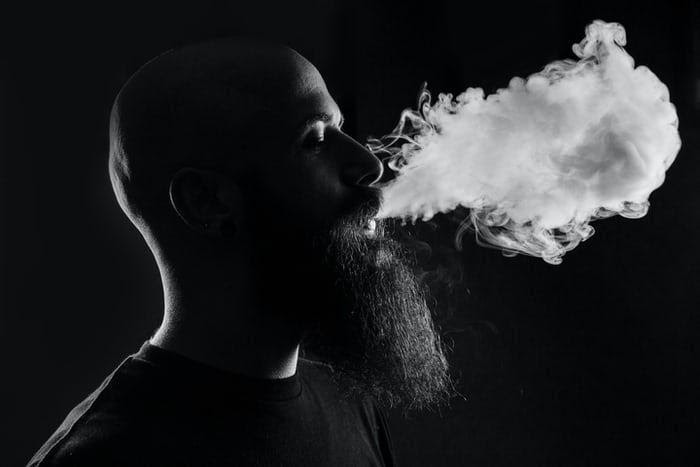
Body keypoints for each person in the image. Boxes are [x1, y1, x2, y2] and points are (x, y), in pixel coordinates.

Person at [28, 38, 451, 466]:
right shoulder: (104, 456)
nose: (371, 165)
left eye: (341, 129)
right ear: (206, 201)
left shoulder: (349, 404)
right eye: (316, 140)